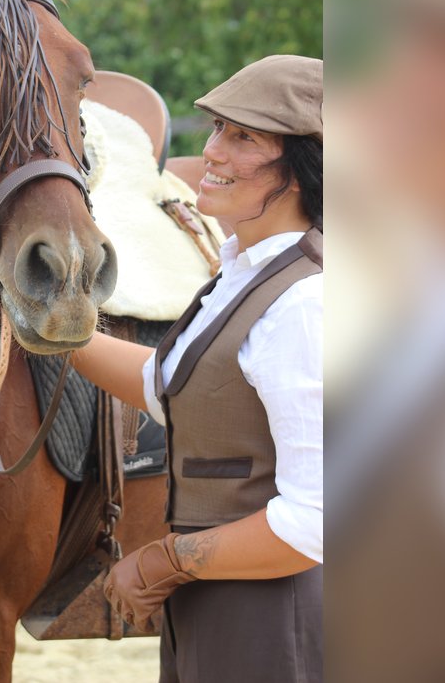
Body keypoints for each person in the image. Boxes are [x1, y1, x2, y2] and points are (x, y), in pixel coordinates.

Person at [74, 54, 323, 683]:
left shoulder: (306, 303)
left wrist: (164, 560)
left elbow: (314, 521)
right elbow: (175, 389)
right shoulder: (245, 270)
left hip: (275, 618)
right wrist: (59, 335)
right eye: (217, 129)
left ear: (301, 166)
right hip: (211, 600)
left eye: (242, 137)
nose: (211, 151)